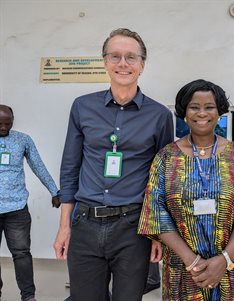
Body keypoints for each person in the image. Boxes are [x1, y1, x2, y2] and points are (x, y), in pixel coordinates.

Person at [53, 28, 173, 301]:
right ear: (105, 62)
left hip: (132, 228)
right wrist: (64, 226)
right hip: (85, 223)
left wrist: (157, 234)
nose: (123, 63)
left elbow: (162, 180)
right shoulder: (82, 107)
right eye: (115, 56)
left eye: (131, 57)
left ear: (142, 65)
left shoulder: (159, 116)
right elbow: (70, 169)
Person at [138, 79, 234, 301]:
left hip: (229, 270)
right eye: (194, 107)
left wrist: (224, 259)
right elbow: (155, 212)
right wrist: (192, 261)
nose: (202, 113)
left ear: (219, 111)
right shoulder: (166, 157)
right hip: (181, 270)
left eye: (209, 107)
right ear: (184, 111)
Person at [0, 104, 60, 301]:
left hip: (16, 208)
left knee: (22, 253)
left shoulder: (22, 140)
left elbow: (38, 166)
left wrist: (54, 190)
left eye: (7, 124)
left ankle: (28, 296)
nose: (3, 128)